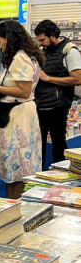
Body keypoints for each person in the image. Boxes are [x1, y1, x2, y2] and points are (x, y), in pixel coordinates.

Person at [0, 21, 44, 199]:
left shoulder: (20, 58)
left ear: (9, 38)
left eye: (0, 40)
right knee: (16, 167)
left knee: (17, 164)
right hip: (19, 114)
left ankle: (16, 204)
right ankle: (13, 203)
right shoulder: (25, 56)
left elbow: (24, 91)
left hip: (18, 117)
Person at [34, 20, 81, 168]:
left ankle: (60, 182)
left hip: (57, 106)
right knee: (37, 146)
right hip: (39, 105)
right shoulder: (44, 51)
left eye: (43, 40)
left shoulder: (69, 50)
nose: (40, 43)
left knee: (58, 147)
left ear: (53, 36)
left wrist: (48, 78)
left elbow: (77, 79)